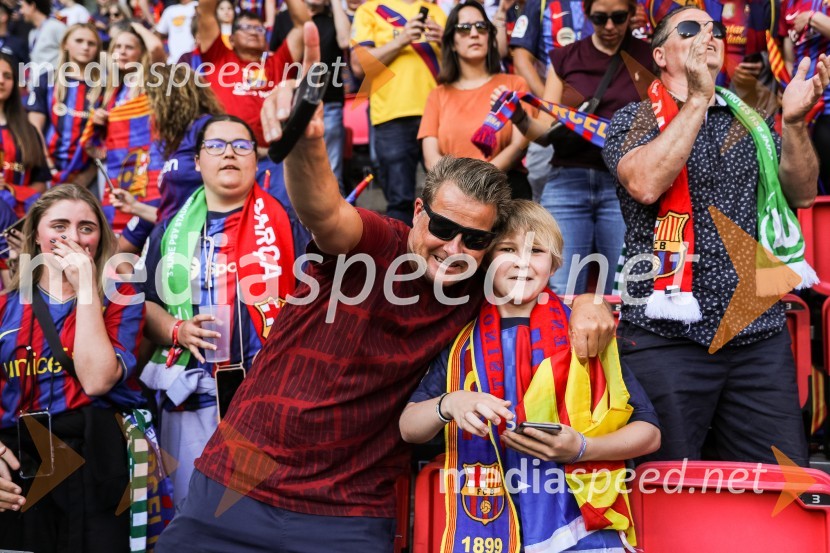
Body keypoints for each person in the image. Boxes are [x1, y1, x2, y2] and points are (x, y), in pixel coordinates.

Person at [155, 23, 616, 552]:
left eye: (475, 239)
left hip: (348, 512)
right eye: (443, 228)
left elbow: (537, 276)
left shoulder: (476, 285)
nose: (454, 249)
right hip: (239, 482)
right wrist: (306, 145)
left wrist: (587, 298)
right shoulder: (379, 242)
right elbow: (326, 211)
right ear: (419, 213)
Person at [602, 6, 829, 466]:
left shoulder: (753, 121)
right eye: (691, 29)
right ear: (661, 55)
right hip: (665, 340)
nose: (710, 34)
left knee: (780, 496)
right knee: (667, 492)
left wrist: (794, 124)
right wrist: (696, 101)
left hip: (758, 338)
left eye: (716, 29)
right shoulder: (633, 120)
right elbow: (645, 183)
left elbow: (803, 194)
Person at [400, 200, 660, 552]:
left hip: (580, 527)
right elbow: (408, 427)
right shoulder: (460, 340)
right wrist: (450, 403)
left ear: (554, 264)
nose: (522, 262)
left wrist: (583, 449)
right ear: (487, 260)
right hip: (481, 523)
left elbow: (649, 433)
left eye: (536, 251)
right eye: (507, 249)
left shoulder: (584, 332)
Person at [140, 115, 297, 508]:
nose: (229, 152)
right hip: (192, 397)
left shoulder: (288, 224)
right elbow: (145, 307)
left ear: (257, 160)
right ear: (197, 161)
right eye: (216, 145)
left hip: (265, 396)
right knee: (192, 513)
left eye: (242, 145)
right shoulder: (168, 231)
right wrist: (177, 329)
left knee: (257, 516)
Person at [0, 184, 145, 552]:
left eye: (86, 227)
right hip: (19, 457)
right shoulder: (6, 306)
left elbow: (97, 380)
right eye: (59, 226)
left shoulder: (120, 297)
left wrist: (85, 292)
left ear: (100, 237)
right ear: (37, 233)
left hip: (96, 457)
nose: (73, 237)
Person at [507, 0, 652, 295]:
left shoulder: (649, 58)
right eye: (600, 18)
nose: (610, 26)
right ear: (586, 14)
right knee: (562, 289)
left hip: (623, 185)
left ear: (632, 13)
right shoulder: (565, 57)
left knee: (623, 291)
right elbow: (544, 133)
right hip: (568, 180)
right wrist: (520, 117)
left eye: (618, 17)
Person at [196, 0, 311, 252]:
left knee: (285, 218)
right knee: (230, 221)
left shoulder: (278, 63)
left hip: (274, 159)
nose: (253, 31)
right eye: (246, 27)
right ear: (232, 38)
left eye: (259, 29)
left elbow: (304, 24)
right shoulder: (217, 57)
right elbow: (205, 9)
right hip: (229, 158)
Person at [419, 1, 529, 197]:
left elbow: (519, 145)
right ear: (451, 42)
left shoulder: (514, 84)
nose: (474, 33)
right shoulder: (437, 94)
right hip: (453, 198)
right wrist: (461, 189)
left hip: (506, 191)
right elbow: (430, 158)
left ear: (489, 35)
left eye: (481, 26)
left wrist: (476, 183)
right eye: (464, 28)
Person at [351, 0, 447, 222]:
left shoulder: (436, 12)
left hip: (439, 115)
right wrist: (402, 39)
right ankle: (401, 257)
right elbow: (359, 65)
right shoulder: (369, 10)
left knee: (448, 196)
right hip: (391, 114)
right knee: (399, 201)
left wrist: (446, 41)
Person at [111, 62, 225, 234]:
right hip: (179, 239)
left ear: (169, 98)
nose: (148, 106)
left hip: (207, 240)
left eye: (150, 97)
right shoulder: (175, 141)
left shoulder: (208, 128)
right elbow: (172, 216)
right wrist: (134, 206)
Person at [270, 0, 350, 192]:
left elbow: (345, 41)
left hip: (328, 103)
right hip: (290, 105)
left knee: (332, 171)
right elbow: (273, 57)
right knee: (290, 169)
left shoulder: (334, 18)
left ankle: (335, 218)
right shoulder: (283, 18)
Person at [27, 23, 102, 189]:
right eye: (79, 41)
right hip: (46, 172)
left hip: (88, 177)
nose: (85, 47)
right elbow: (33, 129)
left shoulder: (105, 87)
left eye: (91, 43)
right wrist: (48, 167)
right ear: (65, 44)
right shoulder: (47, 79)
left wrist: (85, 177)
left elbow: (105, 140)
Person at [781, 0, 830, 191]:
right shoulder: (787, 4)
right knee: (806, 176)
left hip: (827, 104)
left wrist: (812, 18)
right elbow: (788, 58)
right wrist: (785, 87)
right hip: (801, 105)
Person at [0, 52, 50, 194]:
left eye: (7, 76)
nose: (1, 80)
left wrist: (12, 191)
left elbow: (41, 186)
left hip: (18, 214)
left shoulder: (29, 131)